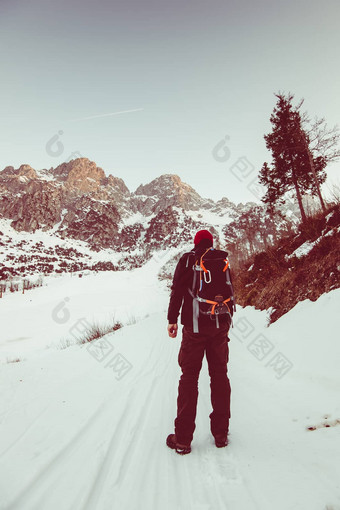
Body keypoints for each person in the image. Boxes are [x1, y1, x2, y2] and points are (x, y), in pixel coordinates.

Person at [166, 229, 234, 455]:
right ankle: (221, 433)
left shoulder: (188, 259)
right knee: (219, 375)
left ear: (196, 243)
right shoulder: (221, 260)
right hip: (220, 327)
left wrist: (172, 320)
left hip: (194, 329)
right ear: (211, 243)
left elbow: (176, 290)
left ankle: (183, 439)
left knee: (189, 379)